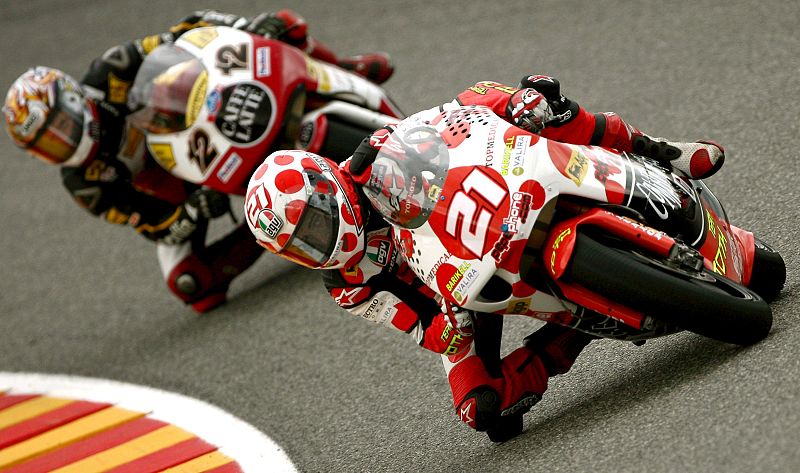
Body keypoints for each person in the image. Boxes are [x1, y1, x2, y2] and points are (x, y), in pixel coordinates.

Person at [243, 75, 725, 441]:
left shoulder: (374, 157)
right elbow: (419, 325)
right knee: (483, 409)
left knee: (546, 104)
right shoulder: (346, 284)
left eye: (313, 225)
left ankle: (659, 149)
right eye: (301, 247)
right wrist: (445, 329)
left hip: (483, 210)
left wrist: (513, 104)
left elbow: (456, 114)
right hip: (455, 290)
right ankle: (574, 331)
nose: (318, 244)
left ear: (326, 188)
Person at [3, 9, 395, 313]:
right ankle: (267, 228)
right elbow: (153, 225)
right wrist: (192, 211)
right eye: (48, 145)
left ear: (74, 98)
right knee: (189, 283)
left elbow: (188, 32)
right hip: (183, 191)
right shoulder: (84, 183)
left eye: (60, 126)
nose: (63, 142)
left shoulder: (113, 69)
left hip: (198, 125)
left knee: (283, 25)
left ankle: (342, 67)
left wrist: (247, 28)